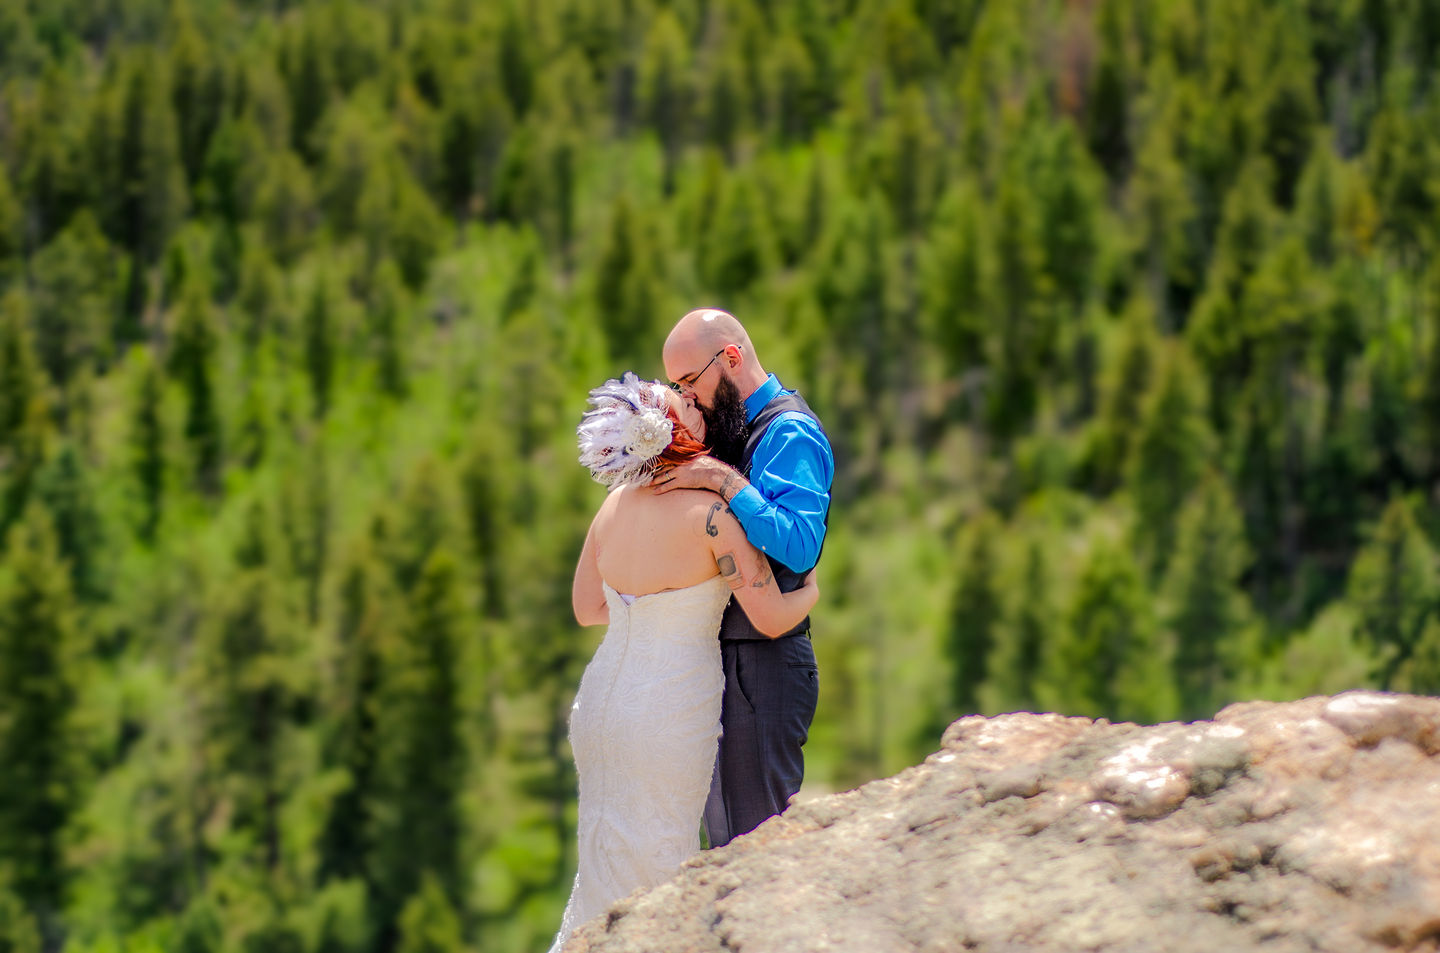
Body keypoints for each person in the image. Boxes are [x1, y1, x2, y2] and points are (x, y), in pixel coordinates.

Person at [548, 373, 819, 953]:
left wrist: (646, 608)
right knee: (660, 859)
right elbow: (770, 618)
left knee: (603, 860)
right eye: (687, 407)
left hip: (600, 706)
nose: (697, 406)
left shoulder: (612, 508)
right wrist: (813, 588)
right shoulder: (712, 515)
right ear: (674, 434)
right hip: (668, 707)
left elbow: (588, 607)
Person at [653, 308, 834, 849]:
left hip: (765, 663)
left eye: (690, 383)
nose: (688, 398)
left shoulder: (790, 431)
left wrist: (719, 479)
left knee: (756, 844)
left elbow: (801, 542)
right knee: (725, 837)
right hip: (731, 661)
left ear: (730, 357)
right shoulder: (733, 426)